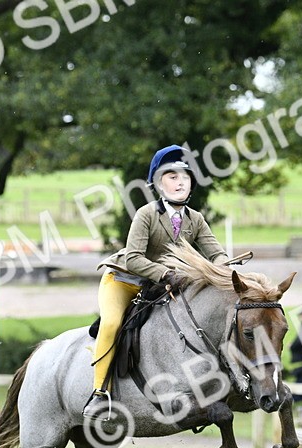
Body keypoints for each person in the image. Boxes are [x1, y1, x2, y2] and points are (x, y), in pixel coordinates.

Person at [84, 144, 228, 420]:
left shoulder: (195, 219)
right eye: (172, 177)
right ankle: (99, 394)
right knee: (113, 323)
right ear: (159, 184)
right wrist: (164, 274)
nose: (180, 182)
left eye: (184, 177)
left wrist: (227, 272)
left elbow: (217, 253)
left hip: (160, 289)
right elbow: (134, 259)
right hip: (124, 282)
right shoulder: (146, 214)